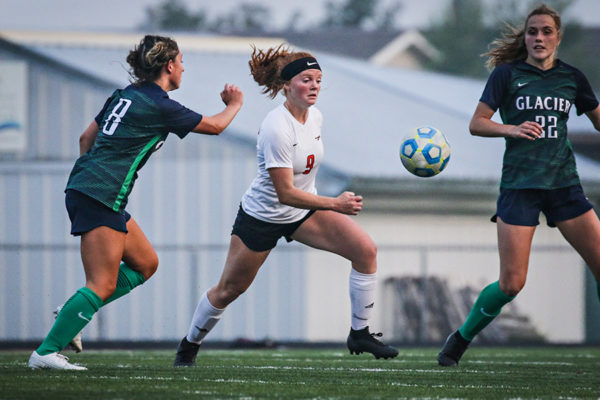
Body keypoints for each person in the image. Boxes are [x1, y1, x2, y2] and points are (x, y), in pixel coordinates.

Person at [28, 34, 243, 370]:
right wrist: (235, 104)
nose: (183, 68)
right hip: (100, 194)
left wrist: (90, 177)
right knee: (102, 283)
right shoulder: (160, 105)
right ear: (169, 65)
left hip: (92, 190)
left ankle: (72, 311)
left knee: (145, 264)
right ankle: (45, 353)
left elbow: (85, 138)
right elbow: (215, 126)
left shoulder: (125, 95)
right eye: (181, 62)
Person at [173, 45, 398, 366]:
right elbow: (285, 193)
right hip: (262, 216)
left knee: (365, 251)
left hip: (301, 212)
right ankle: (189, 345)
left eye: (318, 80)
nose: (315, 86)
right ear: (286, 85)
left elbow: (299, 191)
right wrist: (334, 203)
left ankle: (360, 333)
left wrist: (326, 205)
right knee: (228, 290)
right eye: (307, 80)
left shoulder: (315, 117)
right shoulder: (276, 127)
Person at [437, 3, 600, 367]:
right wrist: (511, 128)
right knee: (511, 283)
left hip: (564, 185)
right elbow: (477, 123)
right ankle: (460, 338)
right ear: (525, 38)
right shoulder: (507, 75)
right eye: (532, 31)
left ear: (558, 37)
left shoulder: (572, 78)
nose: (539, 37)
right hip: (520, 186)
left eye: (546, 31)